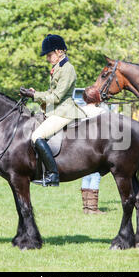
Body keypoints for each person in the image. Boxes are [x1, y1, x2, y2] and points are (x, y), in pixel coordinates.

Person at [20, 34, 86, 186]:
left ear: (59, 52)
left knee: (36, 136)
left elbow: (56, 97)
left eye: (49, 55)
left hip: (64, 111)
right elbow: (51, 94)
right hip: (55, 110)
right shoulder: (57, 68)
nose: (48, 59)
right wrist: (34, 93)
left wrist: (34, 95)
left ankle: (53, 174)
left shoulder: (67, 69)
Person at [79, 87, 108, 214]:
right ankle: (92, 208)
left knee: (85, 174)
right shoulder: (101, 111)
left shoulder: (80, 110)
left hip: (81, 145)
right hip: (96, 145)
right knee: (95, 175)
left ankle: (86, 207)